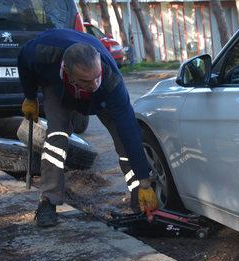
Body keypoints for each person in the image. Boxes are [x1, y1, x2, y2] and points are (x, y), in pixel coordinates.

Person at [17, 28, 158, 227]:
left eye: (96, 77)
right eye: (86, 81)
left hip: (102, 101)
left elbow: (130, 131)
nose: (94, 85)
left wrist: (144, 180)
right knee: (56, 139)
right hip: (58, 91)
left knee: (125, 144)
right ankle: (49, 200)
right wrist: (30, 96)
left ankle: (141, 202)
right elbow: (24, 60)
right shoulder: (43, 52)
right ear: (67, 71)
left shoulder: (109, 81)